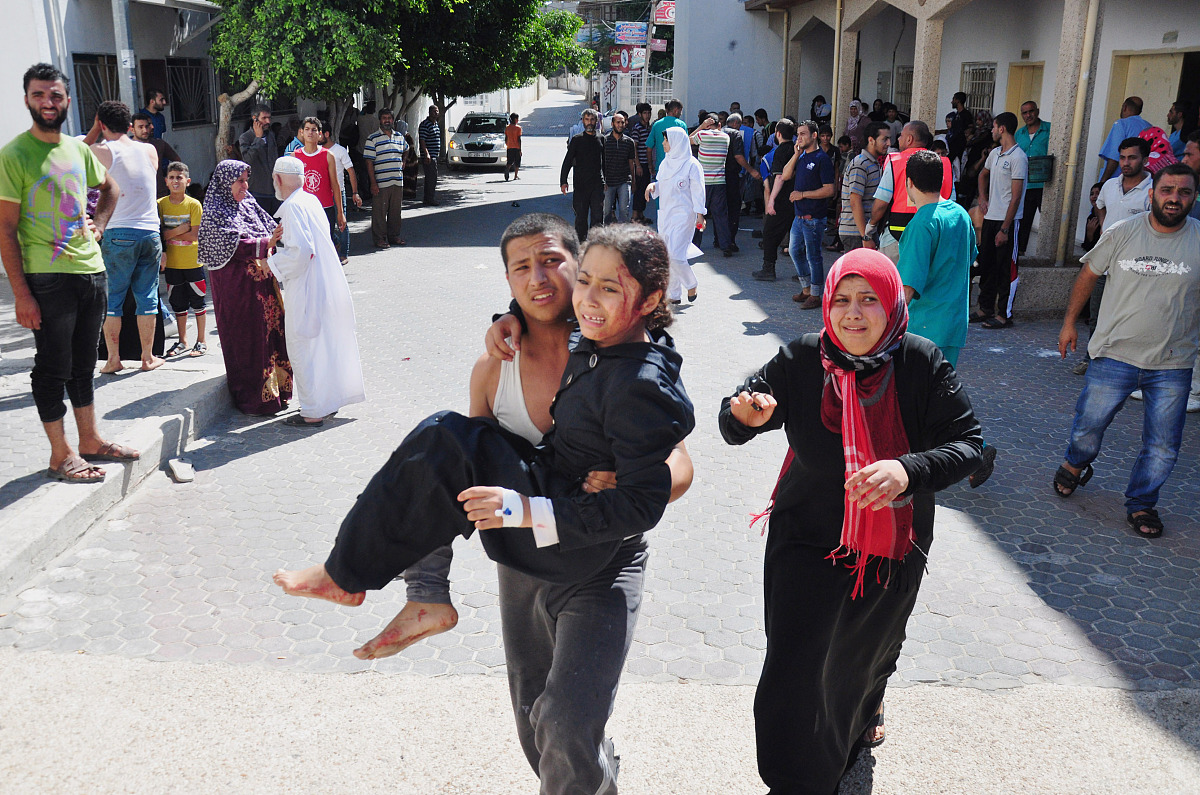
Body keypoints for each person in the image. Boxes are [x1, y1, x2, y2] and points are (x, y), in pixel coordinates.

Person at [274, 223, 694, 793]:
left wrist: (629, 483)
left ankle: (347, 573)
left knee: (567, 724)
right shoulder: (506, 357)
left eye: (552, 263)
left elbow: (673, 470)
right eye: (521, 269)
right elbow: (452, 482)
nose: (540, 279)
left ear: (575, 262)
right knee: (538, 728)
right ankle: (423, 596)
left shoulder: (611, 351)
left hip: (600, 559)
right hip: (524, 567)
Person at [719, 248, 983, 795]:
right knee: (793, 663)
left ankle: (864, 710)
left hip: (890, 545)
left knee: (859, 658)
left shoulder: (921, 362)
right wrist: (740, 416)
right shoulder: (800, 359)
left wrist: (908, 470)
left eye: (868, 300)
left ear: (892, 303)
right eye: (841, 300)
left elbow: (970, 446)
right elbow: (736, 416)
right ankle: (795, 779)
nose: (853, 314)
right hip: (803, 536)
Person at [0, 63, 141, 484]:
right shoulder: (14, 155)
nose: (48, 102)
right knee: (52, 367)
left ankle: (90, 440)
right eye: (40, 95)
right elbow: (5, 230)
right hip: (47, 278)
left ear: (67, 101)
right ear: (27, 99)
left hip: (90, 271)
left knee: (84, 363)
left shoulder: (78, 149)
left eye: (56, 95)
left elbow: (111, 188)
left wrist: (99, 222)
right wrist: (21, 295)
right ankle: (60, 454)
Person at [1055, 164, 1200, 538]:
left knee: (1163, 447)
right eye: (1167, 190)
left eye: (1184, 192)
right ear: (1152, 194)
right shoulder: (1122, 232)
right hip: (1114, 355)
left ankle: (1141, 503)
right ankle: (1075, 463)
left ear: (1193, 197)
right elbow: (1088, 275)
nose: (1174, 198)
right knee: (1089, 427)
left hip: (1173, 363)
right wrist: (1070, 323)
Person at [266, 158, 365, 428]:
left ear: (278, 179)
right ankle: (326, 402)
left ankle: (311, 411)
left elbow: (301, 253)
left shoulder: (294, 207)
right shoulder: (309, 201)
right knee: (323, 345)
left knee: (303, 347)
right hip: (324, 283)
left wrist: (271, 263)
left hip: (306, 287)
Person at [198, 160, 293, 415]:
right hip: (238, 289)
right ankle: (255, 400)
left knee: (271, 333)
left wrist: (271, 245)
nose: (245, 185)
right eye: (239, 181)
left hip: (262, 284)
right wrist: (264, 243)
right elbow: (232, 244)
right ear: (225, 183)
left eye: (245, 180)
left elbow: (269, 226)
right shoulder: (214, 211)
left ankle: (279, 392)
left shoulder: (247, 201)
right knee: (248, 339)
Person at [88, 101, 165, 374]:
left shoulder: (102, 150)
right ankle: (147, 357)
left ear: (102, 124)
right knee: (148, 297)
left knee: (115, 299)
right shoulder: (148, 150)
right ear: (130, 126)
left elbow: (75, 156)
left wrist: (95, 129)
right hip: (150, 232)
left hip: (118, 231)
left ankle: (113, 359)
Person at [866, 121, 953, 265]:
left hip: (896, 237)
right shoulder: (943, 164)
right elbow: (951, 202)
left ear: (909, 139)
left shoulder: (896, 162)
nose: (898, 139)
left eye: (901, 136)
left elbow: (881, 203)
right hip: (932, 237)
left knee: (892, 284)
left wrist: (870, 228)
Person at [974, 112, 1028, 329]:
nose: (992, 131)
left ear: (1002, 128)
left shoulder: (1018, 157)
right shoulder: (995, 153)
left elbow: (1016, 197)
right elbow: (982, 175)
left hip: (1008, 222)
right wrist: (983, 197)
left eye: (994, 127)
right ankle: (984, 307)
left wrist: (1005, 229)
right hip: (991, 218)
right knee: (986, 264)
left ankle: (1004, 314)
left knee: (1005, 268)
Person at [647, 126, 706, 303]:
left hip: (684, 215)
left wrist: (700, 214)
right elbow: (662, 184)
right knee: (667, 255)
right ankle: (673, 294)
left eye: (666, 140)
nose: (663, 143)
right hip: (666, 215)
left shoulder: (692, 165)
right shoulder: (665, 163)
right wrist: (653, 187)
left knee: (675, 255)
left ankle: (691, 284)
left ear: (676, 142)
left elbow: (698, 191)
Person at [780, 119, 835, 308]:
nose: (799, 137)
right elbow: (785, 175)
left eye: (803, 133)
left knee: (814, 257)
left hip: (814, 218)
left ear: (814, 135)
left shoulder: (822, 159)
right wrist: (796, 155)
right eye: (798, 134)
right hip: (799, 217)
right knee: (795, 252)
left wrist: (802, 195)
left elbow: (829, 190)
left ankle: (816, 294)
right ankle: (806, 289)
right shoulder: (802, 157)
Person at [158, 162, 207, 358]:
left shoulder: (194, 205)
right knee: (177, 303)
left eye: (179, 177)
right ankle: (182, 340)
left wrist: (171, 234)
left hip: (193, 262)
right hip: (172, 264)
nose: (175, 181)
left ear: (187, 181)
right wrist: (180, 229)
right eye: (172, 177)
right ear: (166, 182)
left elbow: (194, 236)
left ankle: (201, 340)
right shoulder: (160, 205)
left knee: (199, 302)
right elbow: (160, 235)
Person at [752, 118, 796, 282]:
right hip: (796, 197)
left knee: (769, 233)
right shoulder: (797, 150)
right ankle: (805, 272)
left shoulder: (780, 151)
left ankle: (768, 268)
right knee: (798, 235)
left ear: (777, 134)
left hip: (782, 199)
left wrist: (770, 201)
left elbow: (779, 177)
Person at [291, 116, 345, 246]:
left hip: (325, 209)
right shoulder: (295, 156)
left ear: (320, 134)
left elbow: (335, 186)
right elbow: (291, 188)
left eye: (314, 130)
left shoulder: (328, 155)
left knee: (325, 246)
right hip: (304, 210)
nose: (310, 133)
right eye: (307, 129)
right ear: (301, 132)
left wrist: (341, 213)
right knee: (306, 248)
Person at [838, 121, 889, 253]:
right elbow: (855, 201)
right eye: (884, 139)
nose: (888, 144)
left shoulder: (873, 163)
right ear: (871, 140)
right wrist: (865, 235)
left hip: (864, 232)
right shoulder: (860, 164)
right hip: (856, 233)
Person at [364, 108, 409, 249]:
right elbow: (369, 162)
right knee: (379, 213)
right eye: (384, 118)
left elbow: (407, 149)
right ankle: (379, 239)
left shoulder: (400, 137)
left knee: (395, 212)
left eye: (389, 118)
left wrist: (404, 161)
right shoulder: (372, 139)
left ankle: (394, 236)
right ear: (380, 120)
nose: (387, 120)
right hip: (381, 182)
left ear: (393, 120)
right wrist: (373, 183)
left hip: (397, 181)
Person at [689, 114, 732, 256]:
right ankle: (725, 245)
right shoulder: (726, 137)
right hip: (719, 181)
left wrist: (701, 127)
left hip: (703, 183)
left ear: (707, 124)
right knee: (721, 215)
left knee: (699, 213)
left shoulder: (702, 135)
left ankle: (695, 244)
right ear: (719, 125)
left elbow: (687, 141)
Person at [560, 109, 605, 242]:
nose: (590, 122)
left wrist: (606, 180)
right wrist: (563, 181)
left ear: (596, 121)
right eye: (587, 120)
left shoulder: (602, 139)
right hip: (581, 186)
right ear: (583, 121)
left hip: (597, 184)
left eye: (592, 120)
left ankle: (595, 246)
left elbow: (605, 162)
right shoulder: (577, 140)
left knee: (597, 218)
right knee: (581, 218)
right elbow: (567, 161)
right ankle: (580, 246)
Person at [321, 120, 360, 265]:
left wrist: (355, 192)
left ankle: (343, 254)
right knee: (324, 224)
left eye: (318, 133)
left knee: (342, 223)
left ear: (326, 134)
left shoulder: (339, 151)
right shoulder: (317, 152)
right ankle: (335, 243)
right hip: (322, 194)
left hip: (339, 192)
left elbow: (351, 171)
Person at [1015, 101, 1051, 256]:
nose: (1028, 115)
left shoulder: (1050, 129)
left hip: (1046, 185)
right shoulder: (1019, 134)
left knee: (1048, 221)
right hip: (1026, 185)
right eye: (1024, 113)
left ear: (1037, 111)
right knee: (1024, 221)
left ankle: (1048, 253)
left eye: (1031, 111)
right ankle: (1020, 253)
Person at [722, 113, 759, 251]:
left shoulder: (719, 132)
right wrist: (751, 170)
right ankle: (730, 241)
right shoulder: (736, 135)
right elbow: (738, 156)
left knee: (720, 210)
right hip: (732, 176)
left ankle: (718, 239)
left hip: (718, 176)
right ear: (737, 124)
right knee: (733, 208)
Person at [1098, 97, 1152, 182]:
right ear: (1140, 111)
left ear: (1125, 107)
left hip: (1119, 180)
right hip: (1140, 180)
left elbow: (1114, 158)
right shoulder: (1149, 127)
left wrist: (1102, 183)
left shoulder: (1121, 124)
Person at [238, 105, 279, 214]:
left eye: (269, 118)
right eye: (264, 118)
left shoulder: (270, 135)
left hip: (275, 189)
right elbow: (247, 160)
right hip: (258, 190)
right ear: (254, 118)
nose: (268, 121)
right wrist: (258, 139)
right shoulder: (245, 137)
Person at [128, 113, 180, 198]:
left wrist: (170, 178)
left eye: (147, 126)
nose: (145, 130)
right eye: (140, 127)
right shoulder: (126, 146)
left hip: (159, 193)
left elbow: (177, 160)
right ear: (132, 130)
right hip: (136, 195)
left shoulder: (159, 144)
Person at [601, 111, 637, 224]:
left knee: (624, 210)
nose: (620, 125)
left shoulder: (629, 142)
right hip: (608, 182)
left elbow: (631, 163)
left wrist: (634, 182)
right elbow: (600, 163)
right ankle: (605, 237)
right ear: (612, 124)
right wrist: (602, 181)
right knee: (606, 211)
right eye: (618, 122)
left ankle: (623, 238)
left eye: (622, 122)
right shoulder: (604, 141)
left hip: (624, 181)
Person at [647, 99, 687, 177]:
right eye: (680, 111)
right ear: (676, 110)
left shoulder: (656, 124)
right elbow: (686, 146)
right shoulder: (681, 125)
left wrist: (650, 165)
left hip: (660, 167)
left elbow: (649, 148)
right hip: (678, 168)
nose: (681, 113)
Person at [628, 103, 652, 222]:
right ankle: (634, 216)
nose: (647, 115)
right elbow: (634, 147)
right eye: (644, 113)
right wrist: (637, 165)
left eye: (648, 113)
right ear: (639, 114)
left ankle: (641, 214)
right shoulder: (637, 128)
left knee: (645, 189)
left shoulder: (648, 128)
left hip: (647, 164)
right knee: (638, 190)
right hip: (640, 164)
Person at [418, 105, 442, 206]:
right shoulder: (425, 124)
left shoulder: (435, 124)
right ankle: (429, 198)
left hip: (434, 155)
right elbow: (422, 140)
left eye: (437, 111)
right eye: (434, 111)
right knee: (431, 177)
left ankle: (428, 198)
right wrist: (427, 154)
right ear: (429, 112)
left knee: (431, 177)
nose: (436, 113)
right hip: (429, 156)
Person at [504, 112, 522, 181]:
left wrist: (507, 144)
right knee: (517, 162)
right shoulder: (518, 128)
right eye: (517, 119)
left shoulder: (507, 128)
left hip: (509, 147)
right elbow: (519, 139)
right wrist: (520, 149)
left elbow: (506, 138)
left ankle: (507, 168)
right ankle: (515, 176)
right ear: (515, 119)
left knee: (510, 161)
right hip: (516, 147)